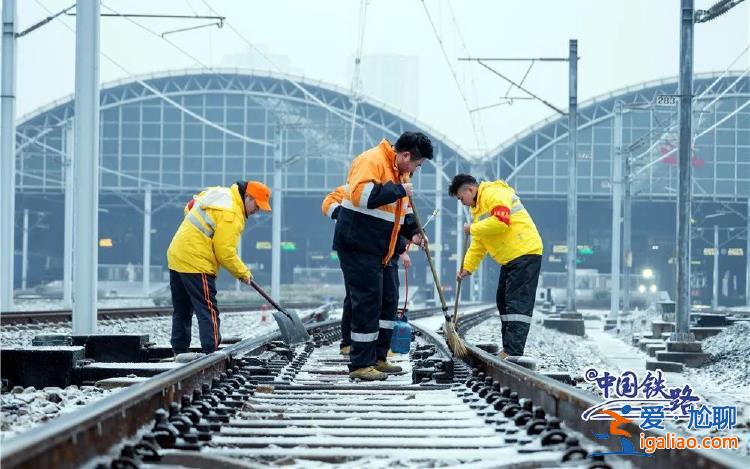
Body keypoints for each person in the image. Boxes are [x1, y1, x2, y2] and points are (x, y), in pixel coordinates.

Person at [333, 131, 432, 381]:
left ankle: (378, 357)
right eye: (417, 164)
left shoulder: (401, 173)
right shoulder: (372, 160)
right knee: (367, 303)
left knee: (387, 300)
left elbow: (403, 213)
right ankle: (360, 363)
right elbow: (362, 196)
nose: (416, 170)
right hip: (358, 243)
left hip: (381, 249)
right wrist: (398, 189)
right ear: (405, 155)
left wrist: (414, 234)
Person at [167, 180, 271, 355]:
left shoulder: (221, 194)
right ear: (248, 197)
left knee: (182, 309)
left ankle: (179, 351)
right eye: (257, 205)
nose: (256, 211)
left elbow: (190, 206)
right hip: (196, 261)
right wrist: (243, 273)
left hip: (176, 254)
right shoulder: (232, 214)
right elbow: (225, 252)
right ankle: (212, 354)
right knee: (208, 309)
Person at [449, 173, 543, 358]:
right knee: (503, 301)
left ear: (470, 189)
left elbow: (501, 222)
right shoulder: (477, 211)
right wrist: (467, 268)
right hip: (510, 258)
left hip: (525, 252)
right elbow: (479, 244)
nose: (462, 203)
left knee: (517, 303)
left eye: (461, 198)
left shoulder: (494, 193)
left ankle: (513, 351)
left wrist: (472, 228)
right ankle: (509, 349)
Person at [322, 186, 411, 358]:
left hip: (385, 250)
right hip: (358, 248)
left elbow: (398, 223)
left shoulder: (397, 191)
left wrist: (406, 243)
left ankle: (379, 348)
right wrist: (345, 217)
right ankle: (349, 343)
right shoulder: (353, 188)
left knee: (385, 297)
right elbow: (328, 203)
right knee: (357, 295)